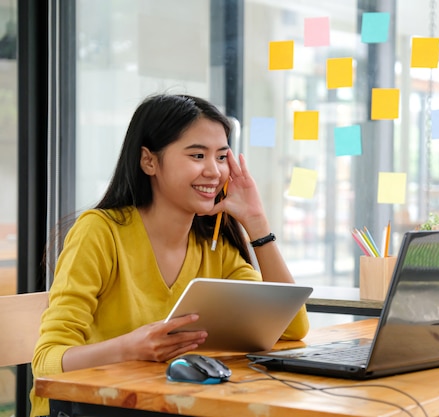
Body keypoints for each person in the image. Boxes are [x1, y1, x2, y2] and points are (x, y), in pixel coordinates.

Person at [30, 93, 309, 417]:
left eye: (221, 157)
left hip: (171, 406)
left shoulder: (213, 242)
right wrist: (128, 349)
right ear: (149, 160)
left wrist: (257, 224)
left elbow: (291, 327)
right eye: (197, 155)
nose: (214, 171)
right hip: (88, 408)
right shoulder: (99, 232)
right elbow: (46, 361)